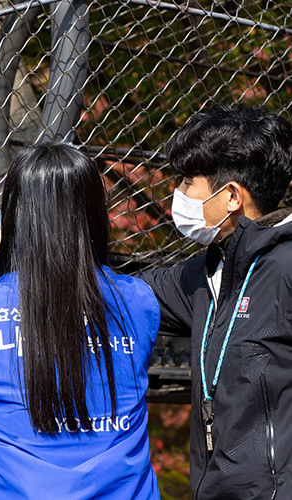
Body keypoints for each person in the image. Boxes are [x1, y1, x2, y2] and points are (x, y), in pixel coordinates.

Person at [0, 142, 160, 499]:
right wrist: (23, 256)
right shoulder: (138, 301)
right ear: (95, 213)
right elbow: (67, 299)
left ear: (15, 214)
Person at [137, 105, 292, 499]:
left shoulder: (286, 268)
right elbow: (118, 293)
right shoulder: (208, 271)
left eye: (189, 182)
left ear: (232, 197)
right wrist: (25, 252)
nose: (179, 193)